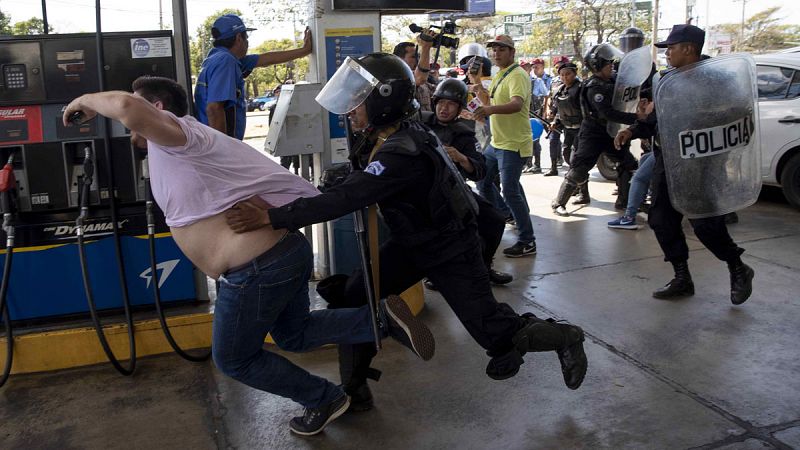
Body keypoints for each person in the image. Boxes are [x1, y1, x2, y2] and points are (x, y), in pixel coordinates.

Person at [63, 76, 436, 436]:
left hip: (258, 269)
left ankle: (323, 398)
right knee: (295, 334)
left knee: (234, 358)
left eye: (139, 107)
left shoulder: (179, 136)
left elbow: (127, 106)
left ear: (156, 108)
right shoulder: (178, 146)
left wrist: (83, 101)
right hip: (278, 257)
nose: (129, 128)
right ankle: (380, 320)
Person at [224, 53, 588, 411]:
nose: (350, 110)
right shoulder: (391, 133)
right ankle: (355, 390)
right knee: (354, 297)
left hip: (450, 247)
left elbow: (350, 196)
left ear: (384, 102)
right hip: (414, 242)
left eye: (358, 101)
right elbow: (361, 180)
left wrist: (272, 217)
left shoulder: (402, 152)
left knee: (494, 331)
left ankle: (566, 337)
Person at [614, 24, 754, 304]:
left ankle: (738, 266)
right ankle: (682, 277)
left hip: (703, 163)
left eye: (671, 48)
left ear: (689, 49)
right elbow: (659, 120)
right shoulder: (669, 81)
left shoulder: (719, 80)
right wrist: (633, 130)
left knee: (705, 225)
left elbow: (740, 113)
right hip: (670, 162)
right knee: (661, 220)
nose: (667, 54)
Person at [421, 78, 514, 286]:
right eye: (441, 103)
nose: (444, 109)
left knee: (495, 219)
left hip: (452, 190)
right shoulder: (420, 123)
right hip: (421, 190)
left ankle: (484, 266)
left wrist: (461, 158)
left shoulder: (464, 134)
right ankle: (435, 273)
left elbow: (479, 171)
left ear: (459, 109)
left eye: (451, 104)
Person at [550, 43, 645, 216]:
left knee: (628, 164)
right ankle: (559, 203)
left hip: (611, 132)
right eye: (608, 63)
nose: (612, 66)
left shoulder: (613, 81)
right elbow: (607, 113)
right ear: (597, 65)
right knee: (579, 169)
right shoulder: (594, 86)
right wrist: (636, 118)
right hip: (593, 133)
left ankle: (623, 201)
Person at [194, 14, 312, 140]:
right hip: (216, 147)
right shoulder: (226, 61)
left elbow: (267, 59)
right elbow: (214, 109)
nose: (248, 42)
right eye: (246, 36)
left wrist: (304, 50)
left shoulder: (219, 58)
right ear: (239, 38)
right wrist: (223, 149)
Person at [470, 35, 537, 257]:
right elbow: (491, 103)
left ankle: (527, 240)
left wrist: (488, 110)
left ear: (512, 52)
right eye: (494, 50)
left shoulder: (518, 75)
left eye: (501, 49)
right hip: (497, 142)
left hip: (513, 143)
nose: (496, 53)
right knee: (483, 181)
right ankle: (508, 213)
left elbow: (516, 104)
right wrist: (479, 88)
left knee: (509, 189)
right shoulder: (501, 74)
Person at [544, 60, 581, 177]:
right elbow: (557, 109)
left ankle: (580, 188)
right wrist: (555, 121)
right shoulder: (559, 91)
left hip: (581, 129)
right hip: (568, 128)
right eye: (562, 74)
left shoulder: (582, 89)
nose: (565, 77)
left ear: (574, 74)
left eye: (568, 74)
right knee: (566, 154)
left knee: (576, 158)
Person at [394, 41, 433, 112]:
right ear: (399, 59)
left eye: (418, 56)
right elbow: (420, 78)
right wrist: (426, 47)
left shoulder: (427, 81)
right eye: (413, 57)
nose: (417, 60)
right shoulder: (397, 80)